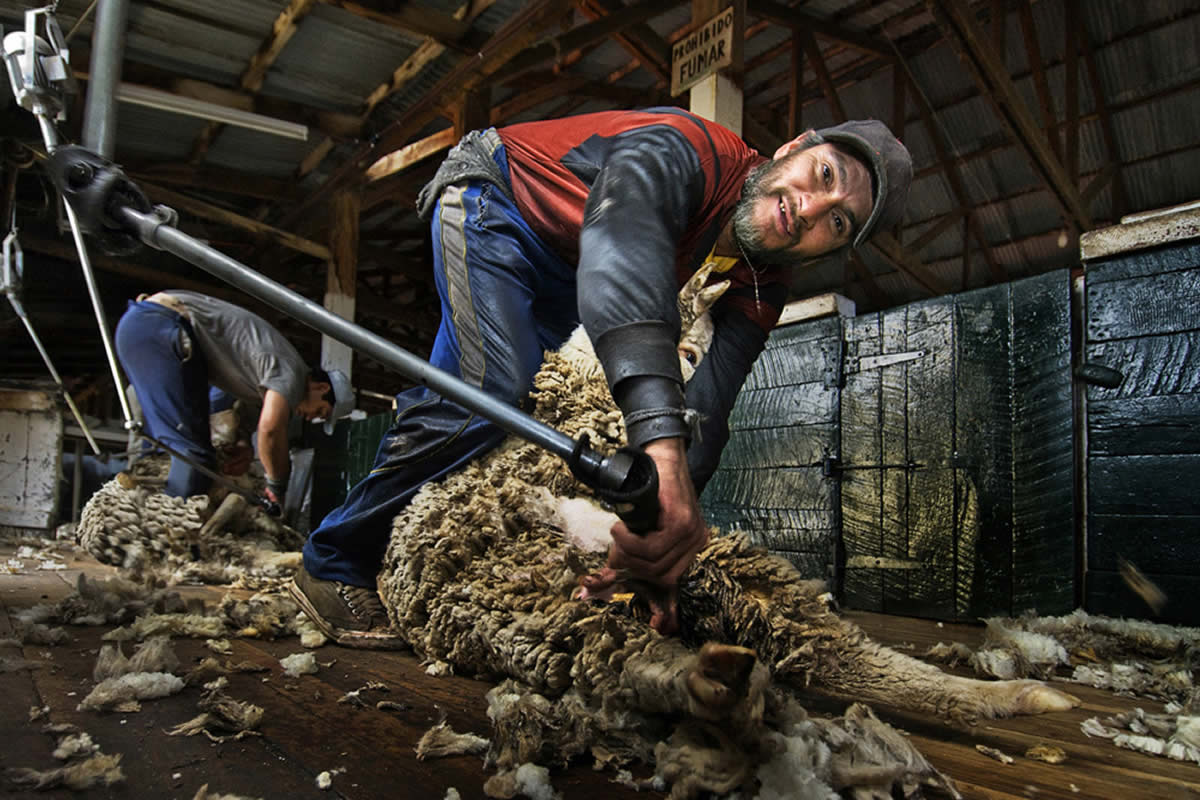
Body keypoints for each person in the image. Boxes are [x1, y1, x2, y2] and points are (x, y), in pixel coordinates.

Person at [290, 107, 912, 644]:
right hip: (499, 201)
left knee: (486, 399)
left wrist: (656, 538)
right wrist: (659, 457)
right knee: (493, 393)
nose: (809, 208)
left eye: (838, 223)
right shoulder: (687, 148)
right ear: (794, 147)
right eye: (824, 176)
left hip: (566, 268)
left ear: (831, 251)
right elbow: (621, 253)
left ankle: (403, 524)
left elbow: (711, 408)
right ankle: (332, 561)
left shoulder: (763, 281)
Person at [114, 290, 354, 504]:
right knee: (193, 457)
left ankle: (150, 514)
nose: (311, 417)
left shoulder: (265, 380)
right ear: (322, 388)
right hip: (160, 327)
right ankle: (168, 534)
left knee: (173, 451)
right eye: (321, 411)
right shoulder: (292, 374)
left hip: (147, 326)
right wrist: (278, 485)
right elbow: (270, 431)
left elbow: (239, 413)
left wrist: (242, 445)